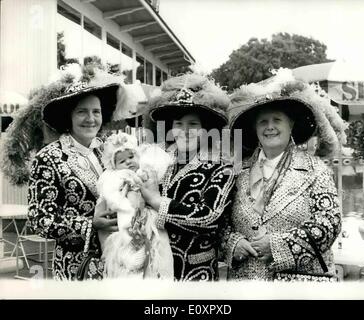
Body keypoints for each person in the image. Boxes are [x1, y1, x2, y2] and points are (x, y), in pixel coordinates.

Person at [224, 68, 346, 281]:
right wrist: (232, 243)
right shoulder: (237, 172)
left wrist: (278, 246)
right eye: (263, 121)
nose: (269, 127)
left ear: (291, 125)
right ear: (254, 129)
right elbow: (220, 222)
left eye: (277, 120)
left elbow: (329, 222)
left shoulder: (316, 170)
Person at [27, 65, 137, 280]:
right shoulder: (48, 157)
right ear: (68, 117)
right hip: (77, 267)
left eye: (96, 111)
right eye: (81, 111)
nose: (91, 118)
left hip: (120, 261)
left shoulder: (109, 149)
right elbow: (38, 219)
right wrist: (90, 224)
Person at [141, 73, 236, 281]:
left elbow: (208, 217)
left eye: (193, 124)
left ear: (206, 129)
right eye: (178, 124)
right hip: (154, 269)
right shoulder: (156, 160)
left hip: (195, 274)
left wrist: (156, 201)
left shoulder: (221, 168)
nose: (185, 131)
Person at [96, 132, 174, 279]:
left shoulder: (143, 171)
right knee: (128, 233)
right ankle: (131, 256)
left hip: (147, 212)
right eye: (122, 161)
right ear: (114, 166)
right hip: (127, 211)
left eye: (131, 157)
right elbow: (112, 196)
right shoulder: (116, 176)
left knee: (156, 242)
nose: (128, 163)